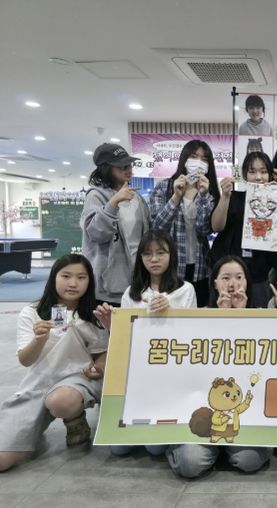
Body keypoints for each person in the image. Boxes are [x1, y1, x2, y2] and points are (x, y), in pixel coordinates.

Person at [165, 256, 272, 478]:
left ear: (247, 282)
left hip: (244, 415)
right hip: (203, 410)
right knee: (190, 465)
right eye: (225, 278)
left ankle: (224, 451)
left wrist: (240, 317)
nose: (233, 284)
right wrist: (220, 317)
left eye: (239, 278)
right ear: (214, 283)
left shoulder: (261, 316)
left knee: (249, 460)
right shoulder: (198, 316)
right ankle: (192, 448)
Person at [0, 255, 108, 471]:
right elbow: (25, 360)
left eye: (81, 277)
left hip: (77, 381)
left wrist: (98, 369)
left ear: (89, 281)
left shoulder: (94, 314)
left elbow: (101, 355)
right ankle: (31, 428)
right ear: (53, 278)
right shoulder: (32, 312)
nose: (73, 283)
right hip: (38, 384)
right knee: (2, 461)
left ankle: (75, 419)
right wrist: (39, 339)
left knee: (61, 401)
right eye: (66, 276)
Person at [110, 230, 196, 457]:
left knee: (155, 448)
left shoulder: (185, 289)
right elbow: (125, 336)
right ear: (140, 258)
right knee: (117, 449)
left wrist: (170, 311)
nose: (154, 259)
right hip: (140, 373)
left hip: (173, 372)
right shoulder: (131, 293)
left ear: (171, 255)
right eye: (147, 254)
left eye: (161, 253)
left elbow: (192, 334)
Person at [149, 140, 219, 307]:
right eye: (194, 156)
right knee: (171, 312)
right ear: (184, 159)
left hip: (200, 267)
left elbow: (204, 229)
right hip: (171, 267)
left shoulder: (209, 191)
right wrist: (176, 197)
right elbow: (158, 228)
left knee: (198, 312)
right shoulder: (164, 187)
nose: (199, 162)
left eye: (204, 159)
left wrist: (203, 196)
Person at [80, 143, 150, 305]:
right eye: (122, 166)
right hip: (108, 287)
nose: (128, 169)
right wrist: (114, 202)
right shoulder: (96, 196)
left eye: (129, 164)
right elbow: (95, 233)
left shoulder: (137, 198)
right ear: (106, 169)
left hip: (137, 281)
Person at [210, 152, 277, 308]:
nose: (258, 177)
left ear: (270, 175)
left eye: (263, 172)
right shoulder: (234, 197)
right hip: (229, 276)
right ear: (244, 175)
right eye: (252, 172)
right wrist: (225, 196)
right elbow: (216, 226)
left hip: (259, 277)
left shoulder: (275, 202)